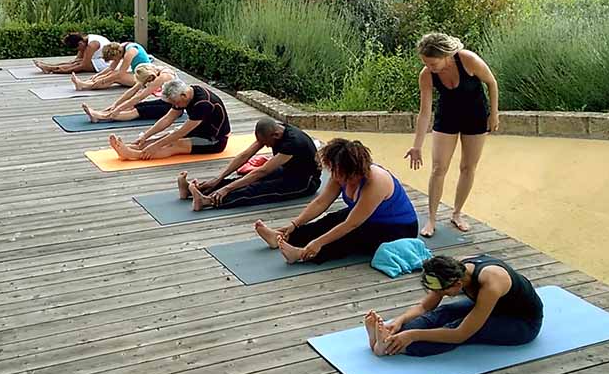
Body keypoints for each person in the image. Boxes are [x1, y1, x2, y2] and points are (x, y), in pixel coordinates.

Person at [254, 138, 418, 265]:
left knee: (352, 235)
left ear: (352, 170)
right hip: (369, 216)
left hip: (398, 228)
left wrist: (318, 243)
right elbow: (321, 203)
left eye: (336, 171)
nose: (333, 174)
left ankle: (302, 254)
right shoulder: (339, 174)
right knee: (330, 220)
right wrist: (295, 224)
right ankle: (281, 237)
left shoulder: (376, 182)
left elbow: (351, 225)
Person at [404, 32, 500, 237]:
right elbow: (424, 112)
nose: (429, 67)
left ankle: (457, 213)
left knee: (467, 167)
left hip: (475, 116)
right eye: (425, 63)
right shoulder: (427, 75)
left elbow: (491, 83)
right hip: (447, 117)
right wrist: (417, 145)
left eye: (432, 63)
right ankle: (431, 219)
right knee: (439, 168)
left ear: (445, 55)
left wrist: (494, 114)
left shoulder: (469, 60)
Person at [364, 254, 543, 357]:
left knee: (460, 329)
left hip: (523, 323)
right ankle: (388, 339)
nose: (440, 295)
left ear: (457, 285)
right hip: (497, 307)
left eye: (444, 293)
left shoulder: (492, 283)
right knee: (443, 312)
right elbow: (426, 307)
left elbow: (459, 334)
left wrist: (412, 335)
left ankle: (391, 347)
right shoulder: (453, 270)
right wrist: (400, 321)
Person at [179, 118, 322, 211]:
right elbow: (245, 155)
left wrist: (227, 189)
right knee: (240, 181)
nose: (265, 147)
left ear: (275, 136)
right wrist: (218, 178)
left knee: (258, 189)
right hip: (288, 171)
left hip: (305, 182)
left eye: (266, 144)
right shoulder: (273, 131)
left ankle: (207, 201)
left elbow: (261, 172)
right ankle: (199, 189)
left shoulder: (293, 142)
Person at [108, 79, 230, 160]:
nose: (175, 105)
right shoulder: (186, 94)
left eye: (175, 102)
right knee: (161, 138)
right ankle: (134, 147)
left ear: (183, 96)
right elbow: (168, 118)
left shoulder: (203, 104)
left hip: (215, 140)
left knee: (175, 143)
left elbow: (181, 132)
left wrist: (155, 146)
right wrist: (145, 136)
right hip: (199, 131)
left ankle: (135, 155)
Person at [81, 63, 177, 123]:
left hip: (174, 107)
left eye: (149, 81)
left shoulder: (164, 76)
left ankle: (101, 117)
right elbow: (132, 91)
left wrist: (119, 109)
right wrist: (115, 105)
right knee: (134, 106)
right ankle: (100, 115)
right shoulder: (153, 71)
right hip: (165, 101)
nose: (148, 83)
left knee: (137, 111)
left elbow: (140, 97)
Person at [71, 41, 153, 90]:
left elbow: (120, 74)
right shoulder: (121, 48)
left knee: (115, 77)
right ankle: (84, 83)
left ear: (116, 55)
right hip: (138, 72)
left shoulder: (130, 52)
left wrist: (103, 80)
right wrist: (97, 76)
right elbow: (111, 68)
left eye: (113, 59)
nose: (114, 61)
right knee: (111, 74)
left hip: (145, 77)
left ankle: (86, 86)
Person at [33, 32, 111, 74]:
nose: (79, 50)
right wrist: (60, 66)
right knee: (76, 62)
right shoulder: (85, 41)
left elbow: (83, 65)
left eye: (77, 48)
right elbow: (77, 60)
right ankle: (49, 67)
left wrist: (63, 71)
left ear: (80, 44)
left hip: (107, 63)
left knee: (78, 64)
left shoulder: (92, 45)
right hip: (100, 59)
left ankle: (50, 69)